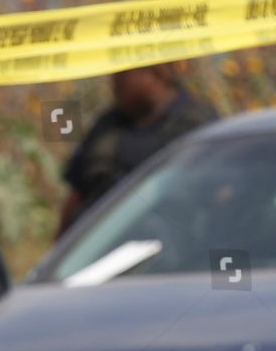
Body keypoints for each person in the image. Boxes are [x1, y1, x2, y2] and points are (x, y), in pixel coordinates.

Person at [58, 63, 218, 235]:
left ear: (154, 74)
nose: (114, 83)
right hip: (100, 246)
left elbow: (218, 194)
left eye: (122, 75)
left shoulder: (197, 124)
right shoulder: (107, 126)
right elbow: (76, 194)